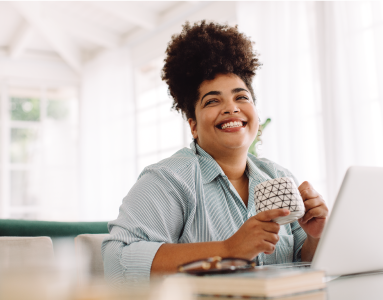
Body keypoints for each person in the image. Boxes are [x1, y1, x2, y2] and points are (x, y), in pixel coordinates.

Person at [102, 21, 329, 284]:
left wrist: (316, 236)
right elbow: (117, 261)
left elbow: (304, 263)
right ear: (194, 126)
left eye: (241, 97)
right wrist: (227, 251)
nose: (231, 108)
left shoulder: (278, 177)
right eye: (212, 101)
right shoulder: (168, 180)